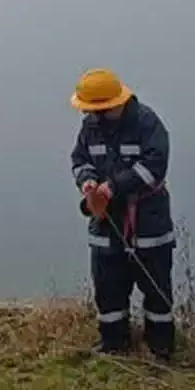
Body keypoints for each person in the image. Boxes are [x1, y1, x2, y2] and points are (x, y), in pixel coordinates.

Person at [70, 68, 176, 359]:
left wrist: (115, 186)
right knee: (108, 288)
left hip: (148, 221)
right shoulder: (90, 127)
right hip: (106, 223)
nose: (91, 115)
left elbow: (154, 167)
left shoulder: (147, 123)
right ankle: (113, 343)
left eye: (96, 110)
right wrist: (87, 181)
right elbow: (79, 160)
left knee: (156, 289)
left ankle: (160, 348)